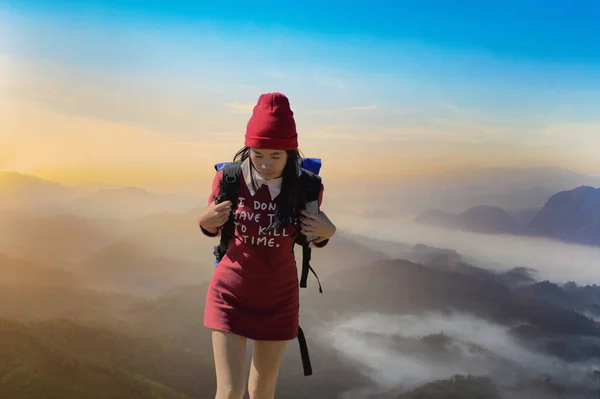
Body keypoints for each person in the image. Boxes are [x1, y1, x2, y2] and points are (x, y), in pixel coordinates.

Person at [197, 92, 337, 399]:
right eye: (258, 154)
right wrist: (205, 222)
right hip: (230, 292)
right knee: (230, 392)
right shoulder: (229, 179)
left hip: (279, 297)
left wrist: (327, 232)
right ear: (248, 148)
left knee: (262, 391)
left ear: (291, 153)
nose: (265, 164)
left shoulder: (306, 186)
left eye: (276, 156)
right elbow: (212, 226)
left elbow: (309, 235)